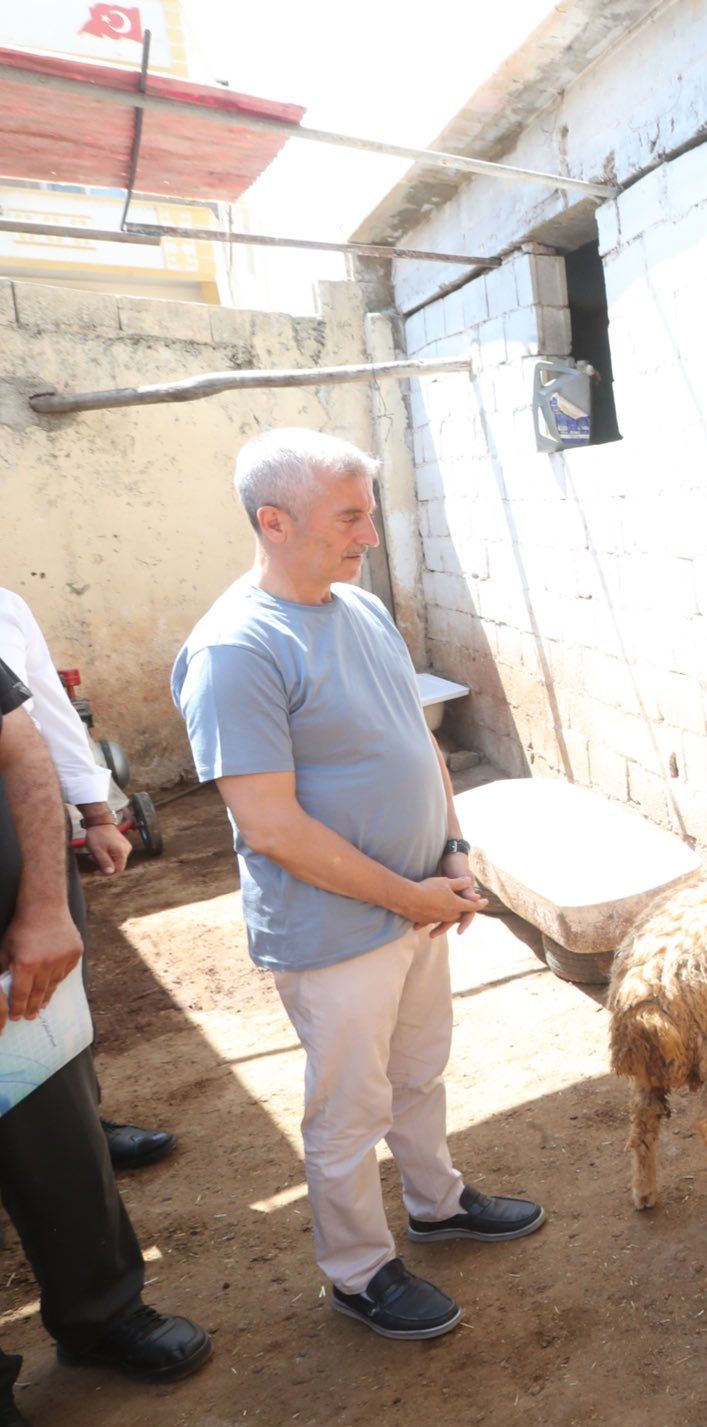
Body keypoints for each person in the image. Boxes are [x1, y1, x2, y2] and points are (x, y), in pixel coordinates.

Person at [171, 429, 544, 1344]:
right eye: (349, 517)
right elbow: (270, 825)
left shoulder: (360, 610)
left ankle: (438, 1204)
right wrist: (407, 897)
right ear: (275, 520)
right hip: (335, 930)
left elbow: (418, 744)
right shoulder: (236, 648)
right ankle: (358, 1271)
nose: (368, 535)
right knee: (348, 1108)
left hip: (420, 901)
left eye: (368, 513)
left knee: (419, 1072)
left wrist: (451, 851)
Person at [1, 659, 211, 1427]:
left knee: (60, 1144)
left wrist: (47, 906)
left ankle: (100, 1315)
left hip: (11, 960)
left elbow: (19, 746)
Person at [0, 587, 177, 1170]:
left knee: (47, 993)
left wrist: (99, 815)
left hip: (26, 823)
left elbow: (50, 713)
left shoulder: (6, 606)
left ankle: (83, 1129)